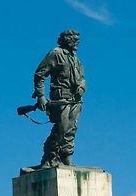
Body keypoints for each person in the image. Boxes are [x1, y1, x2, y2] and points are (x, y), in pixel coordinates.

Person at [32, 29, 86, 168]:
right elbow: (40, 75)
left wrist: (82, 87)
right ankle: (49, 157)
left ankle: (66, 155)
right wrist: (41, 97)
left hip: (76, 99)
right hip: (60, 99)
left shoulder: (76, 59)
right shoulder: (56, 54)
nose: (77, 43)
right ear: (66, 40)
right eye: (74, 39)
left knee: (72, 129)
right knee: (61, 129)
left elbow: (82, 78)